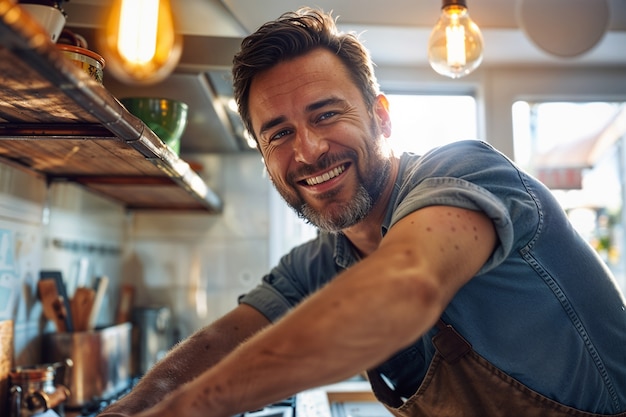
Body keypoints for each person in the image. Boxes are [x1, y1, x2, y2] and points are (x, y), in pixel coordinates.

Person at [100, 7, 626, 417]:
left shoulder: (463, 173)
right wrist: (128, 411)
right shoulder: (321, 262)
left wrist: (192, 408)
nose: (307, 151)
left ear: (381, 116)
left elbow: (405, 287)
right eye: (278, 133)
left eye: (326, 114)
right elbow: (220, 342)